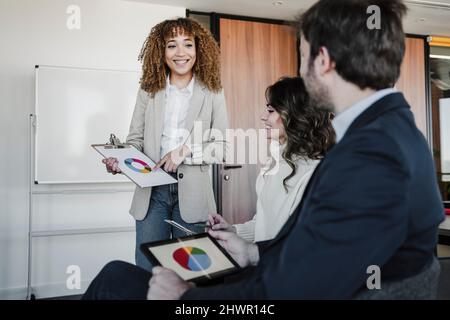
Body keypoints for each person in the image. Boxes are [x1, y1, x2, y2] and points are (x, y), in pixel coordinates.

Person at [84, 0, 445, 300]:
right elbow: (317, 251)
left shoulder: (369, 156)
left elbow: (298, 285)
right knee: (124, 273)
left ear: (323, 60)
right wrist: (254, 251)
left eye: (302, 56)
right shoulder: (389, 134)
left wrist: (185, 297)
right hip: (260, 264)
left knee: (115, 280)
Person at [102, 17, 229, 271]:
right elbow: (135, 141)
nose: (180, 53)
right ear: (161, 51)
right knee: (148, 272)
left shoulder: (213, 91)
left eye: (188, 45)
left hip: (193, 196)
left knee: (192, 274)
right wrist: (122, 161)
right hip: (152, 195)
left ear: (198, 49)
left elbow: (221, 146)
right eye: (172, 45)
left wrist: (184, 152)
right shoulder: (148, 91)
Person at [208, 77, 334, 242]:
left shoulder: (312, 174)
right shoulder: (272, 164)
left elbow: (298, 242)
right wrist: (232, 231)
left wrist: (254, 255)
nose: (262, 116)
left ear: (294, 114)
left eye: (270, 110)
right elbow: (263, 224)